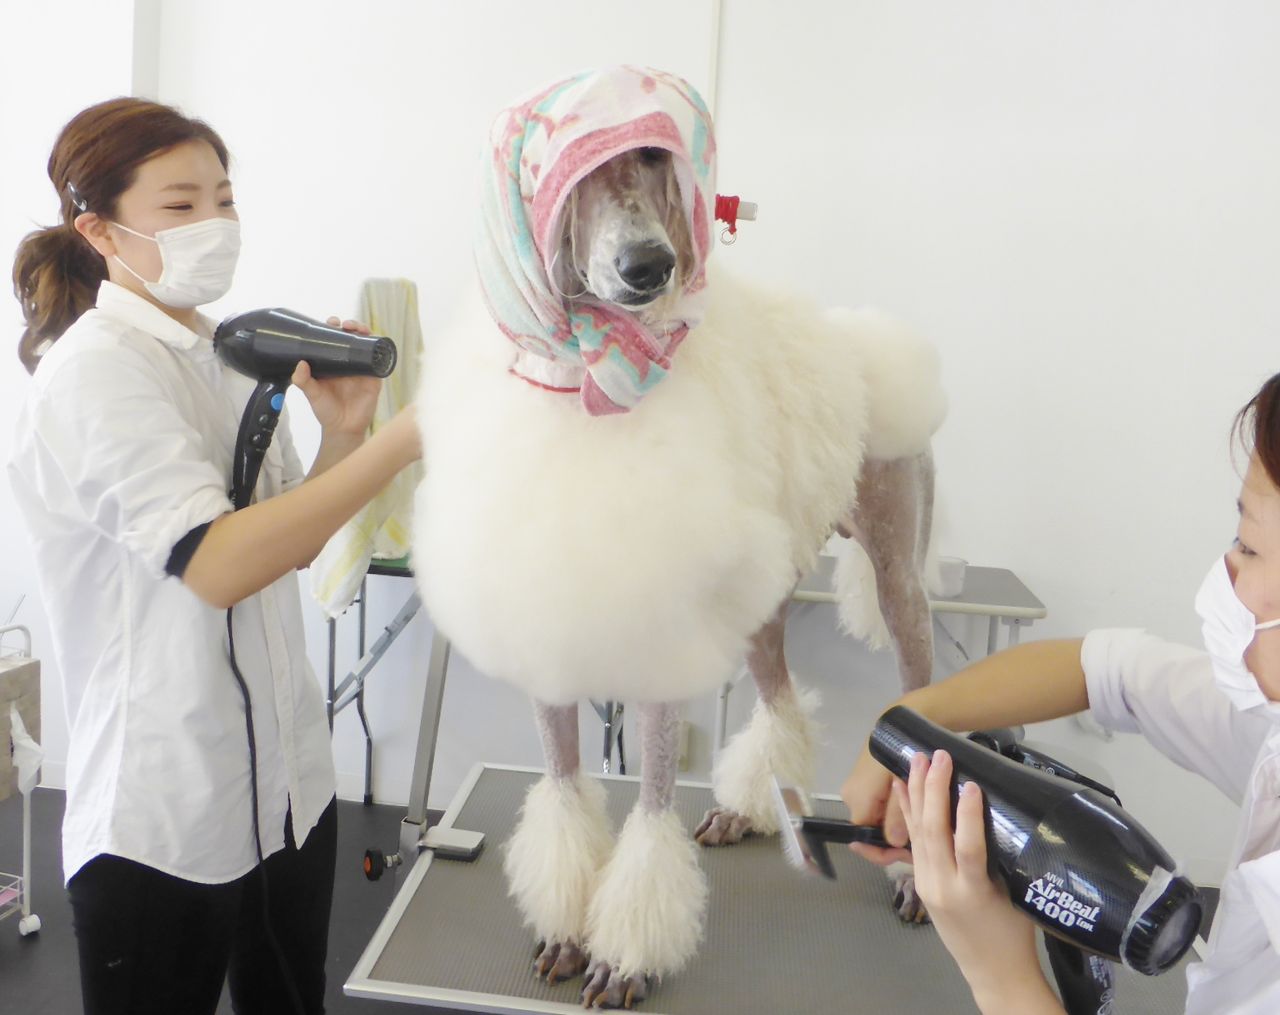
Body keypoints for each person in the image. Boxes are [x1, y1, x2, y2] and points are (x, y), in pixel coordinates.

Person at [7, 97, 422, 1014]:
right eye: (181, 204)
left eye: (224, 200)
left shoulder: (230, 357)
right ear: (98, 229)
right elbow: (218, 565)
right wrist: (407, 440)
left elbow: (288, 544)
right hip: (164, 814)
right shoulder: (95, 371)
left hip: (288, 792)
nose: (215, 223)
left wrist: (348, 435)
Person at [841, 371, 1280, 1014]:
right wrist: (910, 717)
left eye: (1249, 545)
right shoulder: (1267, 728)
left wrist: (1000, 974)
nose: (1226, 570)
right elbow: (1109, 669)